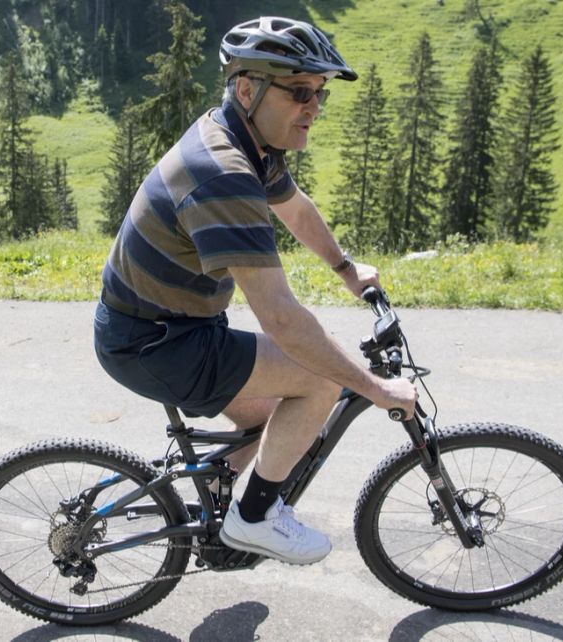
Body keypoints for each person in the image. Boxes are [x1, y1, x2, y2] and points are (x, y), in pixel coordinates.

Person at [94, 16, 418, 566]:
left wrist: (345, 268)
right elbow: (282, 321)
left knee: (274, 416)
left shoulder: (246, 140)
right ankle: (253, 518)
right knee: (316, 380)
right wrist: (375, 388)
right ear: (248, 89)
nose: (314, 105)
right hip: (157, 342)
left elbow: (294, 207)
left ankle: (219, 517)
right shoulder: (224, 173)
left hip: (169, 326)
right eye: (299, 91)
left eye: (320, 93)